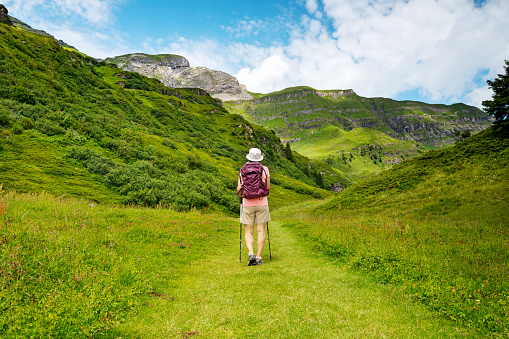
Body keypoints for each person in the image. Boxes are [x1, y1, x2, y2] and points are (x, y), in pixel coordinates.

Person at [237, 148, 271, 266]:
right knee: (261, 230)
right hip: (262, 203)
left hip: (247, 203)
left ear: (249, 157)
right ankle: (258, 257)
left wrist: (243, 196)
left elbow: (239, 189)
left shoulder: (243, 169)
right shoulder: (264, 169)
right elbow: (268, 188)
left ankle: (250, 253)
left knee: (248, 231)